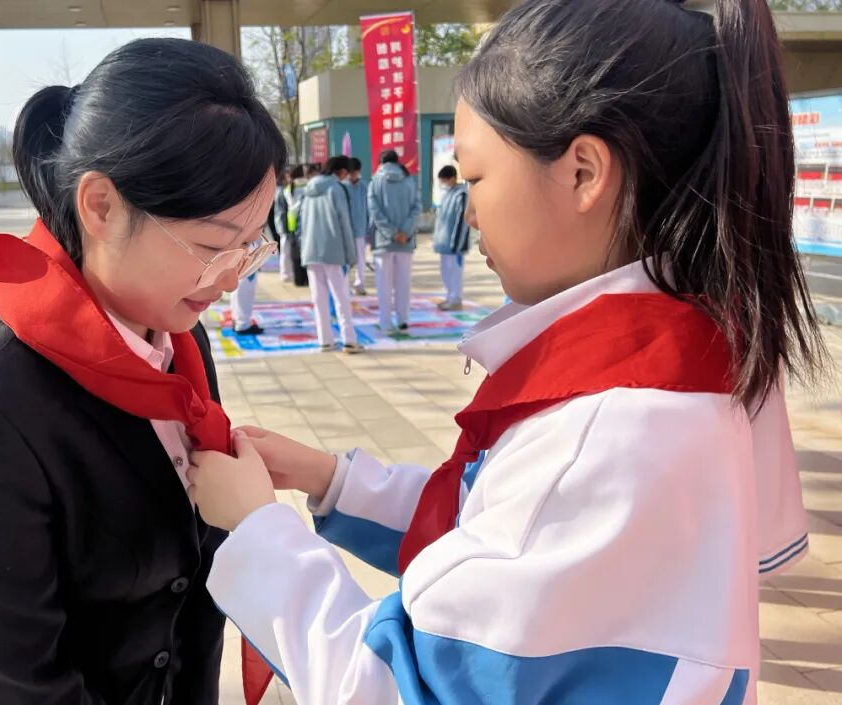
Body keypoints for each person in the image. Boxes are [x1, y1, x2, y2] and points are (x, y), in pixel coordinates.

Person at [185, 1, 823, 704]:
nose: (468, 208)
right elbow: (493, 530)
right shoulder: (694, 357)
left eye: (475, 177)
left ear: (583, 172)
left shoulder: (605, 429)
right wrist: (329, 479)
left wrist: (257, 529)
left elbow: (395, 687)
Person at [0, 37, 286, 705]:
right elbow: (16, 685)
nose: (231, 280)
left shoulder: (180, 344)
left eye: (250, 247)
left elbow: (195, 597)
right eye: (212, 247)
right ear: (101, 206)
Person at [299, 155, 363, 354]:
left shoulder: (308, 189)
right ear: (341, 171)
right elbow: (344, 223)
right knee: (341, 297)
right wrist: (351, 255)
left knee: (318, 299)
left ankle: (325, 340)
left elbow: (301, 223)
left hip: (311, 250)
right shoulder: (337, 189)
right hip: (334, 251)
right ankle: (349, 339)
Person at [367, 150, 420, 331]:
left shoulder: (375, 181)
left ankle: (385, 321)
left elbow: (374, 211)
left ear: (381, 162)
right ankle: (403, 319)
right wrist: (404, 231)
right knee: (403, 284)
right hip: (406, 241)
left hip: (383, 241)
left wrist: (391, 232)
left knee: (384, 285)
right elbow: (417, 207)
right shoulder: (409, 180)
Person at [432, 164, 470, 310]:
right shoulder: (447, 194)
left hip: (455, 244)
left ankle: (456, 300)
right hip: (444, 243)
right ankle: (449, 297)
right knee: (446, 272)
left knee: (455, 273)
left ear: (452, 178)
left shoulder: (461, 195)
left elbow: (462, 220)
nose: (443, 183)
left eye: (444, 180)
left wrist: (457, 243)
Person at [345, 157, 370, 295]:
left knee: (361, 258)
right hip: (346, 229)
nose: (353, 175)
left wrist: (368, 228)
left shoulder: (364, 186)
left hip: (360, 228)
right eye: (351, 172)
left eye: (355, 172)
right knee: (346, 259)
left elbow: (369, 208)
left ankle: (360, 284)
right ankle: (345, 285)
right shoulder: (342, 186)